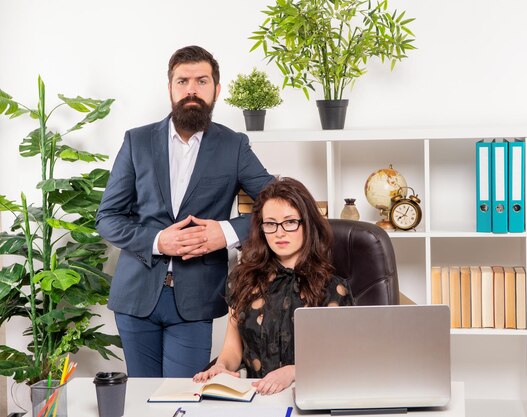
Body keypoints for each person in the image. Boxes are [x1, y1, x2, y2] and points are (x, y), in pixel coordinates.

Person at [96, 45, 274, 377]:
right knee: (142, 399)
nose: (191, 90)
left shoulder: (234, 145)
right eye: (182, 81)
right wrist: (157, 241)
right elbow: (107, 218)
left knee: (184, 398)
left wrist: (225, 232)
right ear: (170, 89)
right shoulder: (137, 141)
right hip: (136, 296)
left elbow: (279, 205)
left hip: (196, 299)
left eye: (201, 81)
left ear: (216, 89)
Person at [193, 177, 354, 395]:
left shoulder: (333, 289)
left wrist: (294, 371)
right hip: (257, 399)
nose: (279, 232)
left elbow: (342, 358)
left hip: (311, 396)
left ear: (307, 223)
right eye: (270, 223)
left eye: (289, 222)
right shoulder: (242, 280)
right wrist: (221, 367)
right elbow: (232, 349)